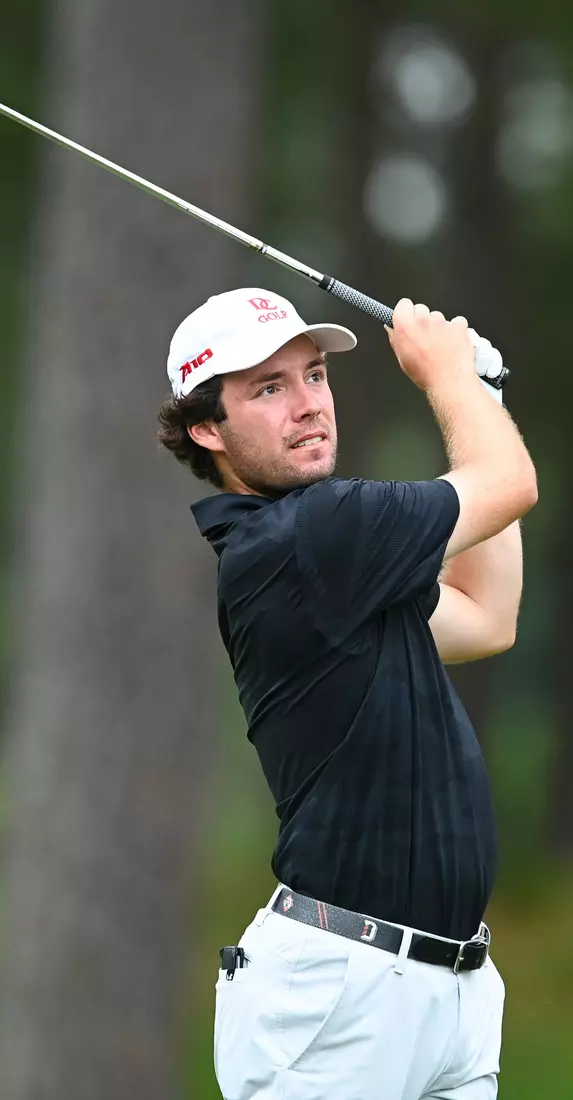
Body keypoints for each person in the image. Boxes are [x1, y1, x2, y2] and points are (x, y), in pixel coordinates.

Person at [157, 288, 537, 1100]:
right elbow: (506, 482)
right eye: (267, 389)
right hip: (340, 999)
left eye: (314, 375)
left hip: (450, 990)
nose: (307, 406)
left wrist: (484, 394)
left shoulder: (332, 557)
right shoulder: (309, 536)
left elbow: (484, 616)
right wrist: (451, 380)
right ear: (205, 427)